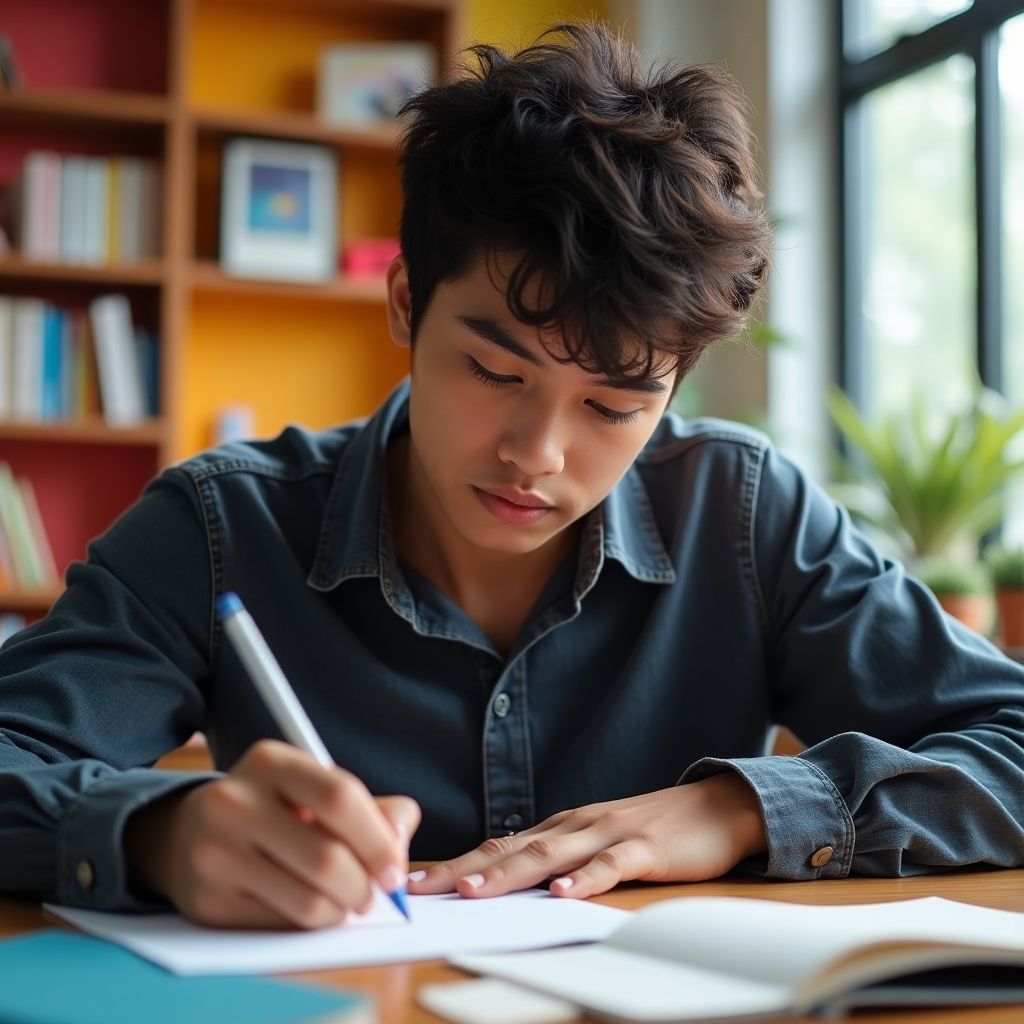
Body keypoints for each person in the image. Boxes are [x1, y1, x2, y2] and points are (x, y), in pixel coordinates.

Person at [1, 22, 1023, 930]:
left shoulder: (742, 513)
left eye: (615, 405)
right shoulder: (224, 524)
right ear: (405, 302)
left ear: (675, 387)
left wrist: (735, 809)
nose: (536, 453)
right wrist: (160, 835)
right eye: (495, 370)